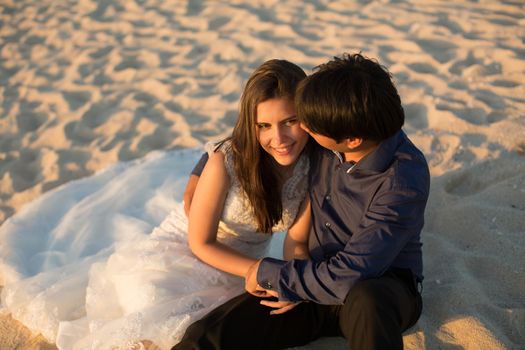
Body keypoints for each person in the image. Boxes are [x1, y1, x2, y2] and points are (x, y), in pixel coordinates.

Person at [174, 53, 430, 350]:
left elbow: (352, 273)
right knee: (207, 336)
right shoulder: (333, 132)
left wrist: (271, 274)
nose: (301, 128)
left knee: (368, 300)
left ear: (353, 139)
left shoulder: (402, 180)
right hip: (309, 279)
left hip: (376, 286)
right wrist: (201, 170)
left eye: (304, 123)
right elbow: (250, 135)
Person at [52, 59, 311, 349]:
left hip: (246, 266)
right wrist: (259, 271)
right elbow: (201, 243)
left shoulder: (313, 168)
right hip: (183, 251)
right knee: (157, 308)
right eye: (264, 125)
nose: (278, 138)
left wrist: (291, 277)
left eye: (289, 121)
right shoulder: (228, 162)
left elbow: (297, 242)